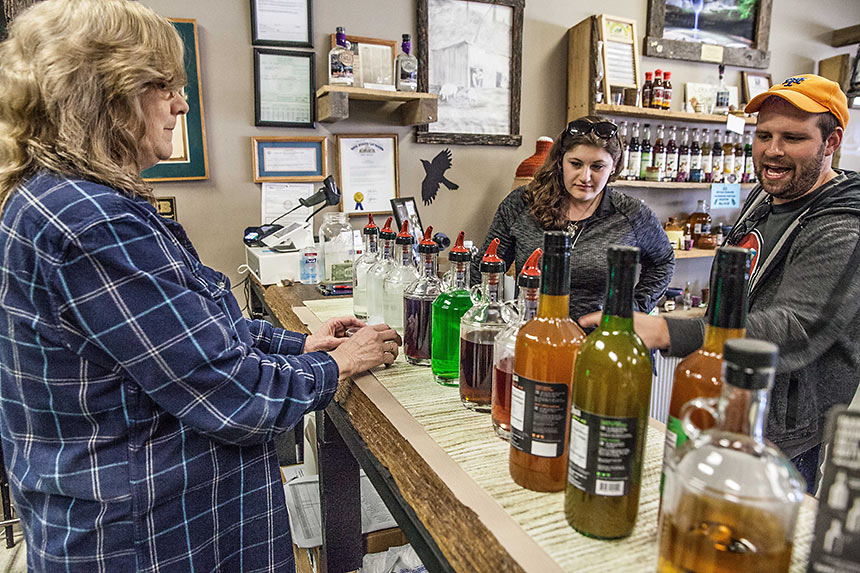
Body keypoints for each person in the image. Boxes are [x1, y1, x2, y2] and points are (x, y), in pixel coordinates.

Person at [0, 1, 401, 570]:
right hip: (145, 541)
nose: (181, 104)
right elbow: (233, 394)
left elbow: (191, 333)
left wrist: (297, 344)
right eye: (163, 85)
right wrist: (338, 365)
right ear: (102, 93)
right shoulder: (91, 221)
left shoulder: (61, 200)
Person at [582, 74, 860, 493]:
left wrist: (669, 330)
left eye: (793, 137)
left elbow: (795, 327)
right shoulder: (767, 196)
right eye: (763, 135)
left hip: (778, 430)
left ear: (832, 141)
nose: (773, 150)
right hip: (724, 397)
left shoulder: (843, 226)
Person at [473, 116, 674, 320]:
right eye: (576, 164)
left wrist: (635, 309)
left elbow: (663, 261)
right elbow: (483, 268)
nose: (585, 177)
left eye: (597, 167)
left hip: (598, 342)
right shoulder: (522, 203)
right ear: (561, 161)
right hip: (536, 337)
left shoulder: (631, 213)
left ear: (614, 166)